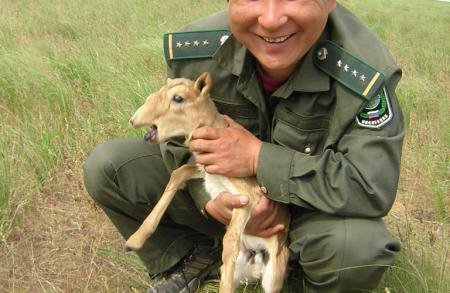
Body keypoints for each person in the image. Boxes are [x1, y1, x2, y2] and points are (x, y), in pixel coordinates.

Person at [83, 0, 404, 292]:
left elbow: (368, 184)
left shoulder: (364, 71)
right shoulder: (197, 48)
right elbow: (179, 141)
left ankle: (297, 273)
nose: (272, 19)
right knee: (109, 166)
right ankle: (191, 257)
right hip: (223, 192)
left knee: (357, 248)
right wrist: (209, 199)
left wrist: (258, 159)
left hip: (310, 212)